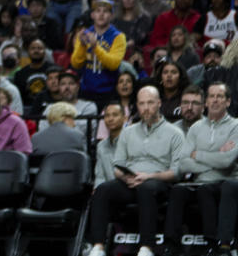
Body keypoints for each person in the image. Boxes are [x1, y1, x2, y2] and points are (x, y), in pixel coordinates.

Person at [86, 86, 184, 256]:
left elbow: (177, 172)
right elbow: (118, 166)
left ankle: (146, 247)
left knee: (147, 188)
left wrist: (149, 176)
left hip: (159, 183)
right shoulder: (127, 132)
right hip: (130, 182)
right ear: (136, 106)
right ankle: (98, 246)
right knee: (102, 190)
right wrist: (126, 178)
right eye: (141, 103)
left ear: (159, 103)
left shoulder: (175, 133)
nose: (146, 108)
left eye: (150, 103)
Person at [164, 83, 238, 256]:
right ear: (206, 102)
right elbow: (183, 163)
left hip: (229, 181)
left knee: (220, 188)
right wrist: (215, 157)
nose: (214, 100)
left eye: (219, 96)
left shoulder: (236, 126)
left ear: (228, 102)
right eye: (211, 96)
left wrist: (198, 155)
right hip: (202, 182)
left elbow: (228, 161)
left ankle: (222, 245)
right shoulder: (196, 128)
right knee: (178, 190)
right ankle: (171, 245)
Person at [71, 0, 127, 108]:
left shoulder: (118, 36)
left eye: (105, 11)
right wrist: (82, 46)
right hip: (86, 90)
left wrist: (95, 47)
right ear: (92, 15)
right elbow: (75, 64)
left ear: (111, 16)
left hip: (109, 91)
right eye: (98, 11)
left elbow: (113, 64)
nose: (101, 15)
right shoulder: (83, 34)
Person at [94, 101, 126, 187]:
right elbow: (100, 176)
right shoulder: (101, 145)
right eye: (107, 115)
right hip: (106, 191)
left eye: (115, 115)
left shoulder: (130, 142)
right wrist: (96, 190)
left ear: (124, 118)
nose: (110, 119)